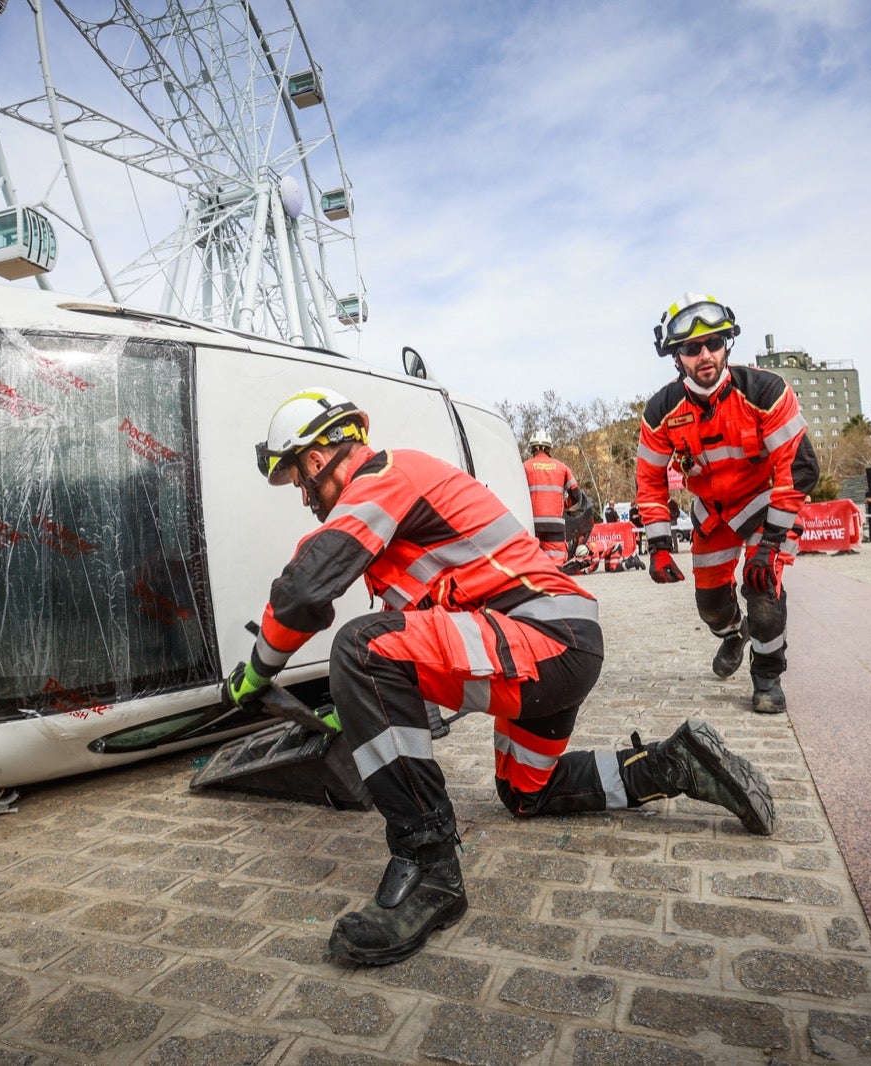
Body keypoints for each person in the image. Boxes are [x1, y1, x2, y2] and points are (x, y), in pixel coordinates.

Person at [229, 387, 776, 966]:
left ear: (316, 459)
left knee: (360, 648)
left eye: (300, 483)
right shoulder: (402, 509)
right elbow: (433, 642)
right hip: (552, 649)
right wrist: (362, 707)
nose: (306, 498)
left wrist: (256, 674)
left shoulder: (386, 475)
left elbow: (304, 589)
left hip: (544, 641)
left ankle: (430, 871)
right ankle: (675, 763)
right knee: (524, 794)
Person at [635, 293, 818, 715]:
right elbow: (649, 481)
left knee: (763, 591)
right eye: (691, 348)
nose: (705, 355)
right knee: (712, 609)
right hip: (712, 515)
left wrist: (771, 544)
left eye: (714, 343)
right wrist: (659, 545)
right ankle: (734, 633)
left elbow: (801, 467)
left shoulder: (766, 390)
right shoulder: (660, 411)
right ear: (676, 356)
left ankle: (767, 674)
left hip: (762, 507)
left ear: (728, 344)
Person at [523, 435, 584, 565]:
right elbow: (576, 496)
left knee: (533, 563)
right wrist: (565, 505)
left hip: (532, 524)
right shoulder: (562, 467)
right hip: (555, 524)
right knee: (556, 565)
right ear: (549, 449)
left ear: (532, 449)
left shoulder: (525, 467)